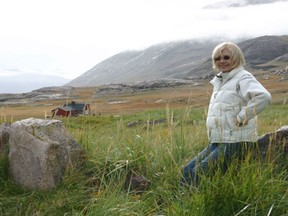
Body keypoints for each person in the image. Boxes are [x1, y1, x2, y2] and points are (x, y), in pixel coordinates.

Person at [181, 42, 271, 187]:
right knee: (187, 171)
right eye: (217, 58)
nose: (221, 61)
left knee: (199, 173)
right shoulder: (221, 80)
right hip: (219, 139)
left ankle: (201, 206)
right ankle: (185, 203)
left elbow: (263, 96)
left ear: (236, 58)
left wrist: (243, 117)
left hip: (237, 141)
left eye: (226, 57)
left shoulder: (243, 77)